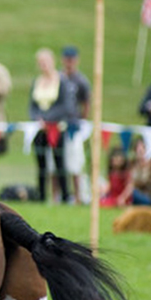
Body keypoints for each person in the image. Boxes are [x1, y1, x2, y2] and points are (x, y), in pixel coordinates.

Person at [29, 48, 75, 203]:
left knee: (59, 161)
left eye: (46, 62)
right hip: (40, 128)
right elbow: (32, 105)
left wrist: (48, 119)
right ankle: (42, 195)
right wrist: (37, 119)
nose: (44, 65)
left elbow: (66, 106)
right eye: (41, 62)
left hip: (56, 127)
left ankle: (65, 195)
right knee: (41, 162)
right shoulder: (37, 81)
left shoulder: (62, 81)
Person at [59, 45, 92, 204]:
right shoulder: (58, 78)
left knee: (75, 162)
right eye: (67, 59)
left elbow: (86, 103)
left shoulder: (81, 81)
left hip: (74, 126)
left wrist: (82, 119)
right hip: (57, 125)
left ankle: (78, 196)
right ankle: (58, 195)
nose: (69, 62)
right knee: (56, 162)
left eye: (72, 59)